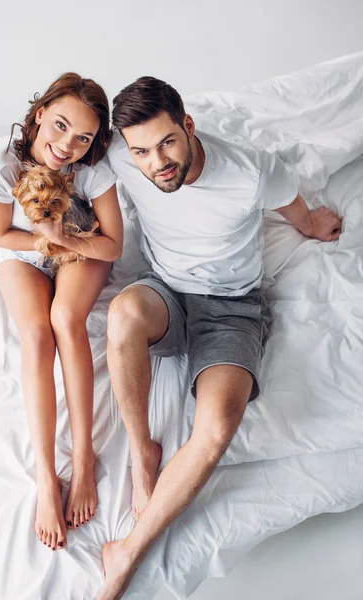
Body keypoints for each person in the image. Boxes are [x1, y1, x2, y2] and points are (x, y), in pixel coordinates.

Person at [99, 76, 342, 599]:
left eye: (167, 142)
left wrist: (314, 224)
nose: (157, 162)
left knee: (214, 432)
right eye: (141, 151)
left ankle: (126, 553)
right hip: (165, 292)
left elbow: (296, 210)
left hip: (231, 309)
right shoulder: (124, 158)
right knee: (121, 315)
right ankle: (144, 451)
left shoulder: (251, 172)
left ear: (187, 125)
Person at [0, 73, 123, 552]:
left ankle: (83, 460)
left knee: (65, 321)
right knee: (37, 336)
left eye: (83, 138)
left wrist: (67, 241)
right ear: (40, 114)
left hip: (81, 247)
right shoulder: (1, 163)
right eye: (60, 126)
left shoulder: (94, 171)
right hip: (23, 252)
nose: (67, 146)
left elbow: (113, 245)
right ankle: (45, 474)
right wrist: (44, 241)